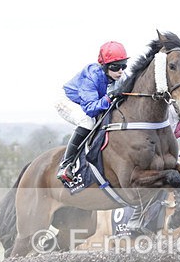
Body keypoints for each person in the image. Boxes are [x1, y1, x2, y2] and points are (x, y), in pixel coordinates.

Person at [55, 41, 129, 183]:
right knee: (88, 122)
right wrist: (109, 97)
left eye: (123, 66)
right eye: (115, 67)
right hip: (68, 102)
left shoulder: (121, 77)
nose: (120, 71)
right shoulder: (92, 75)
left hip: (90, 102)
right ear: (105, 66)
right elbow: (90, 108)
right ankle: (66, 165)